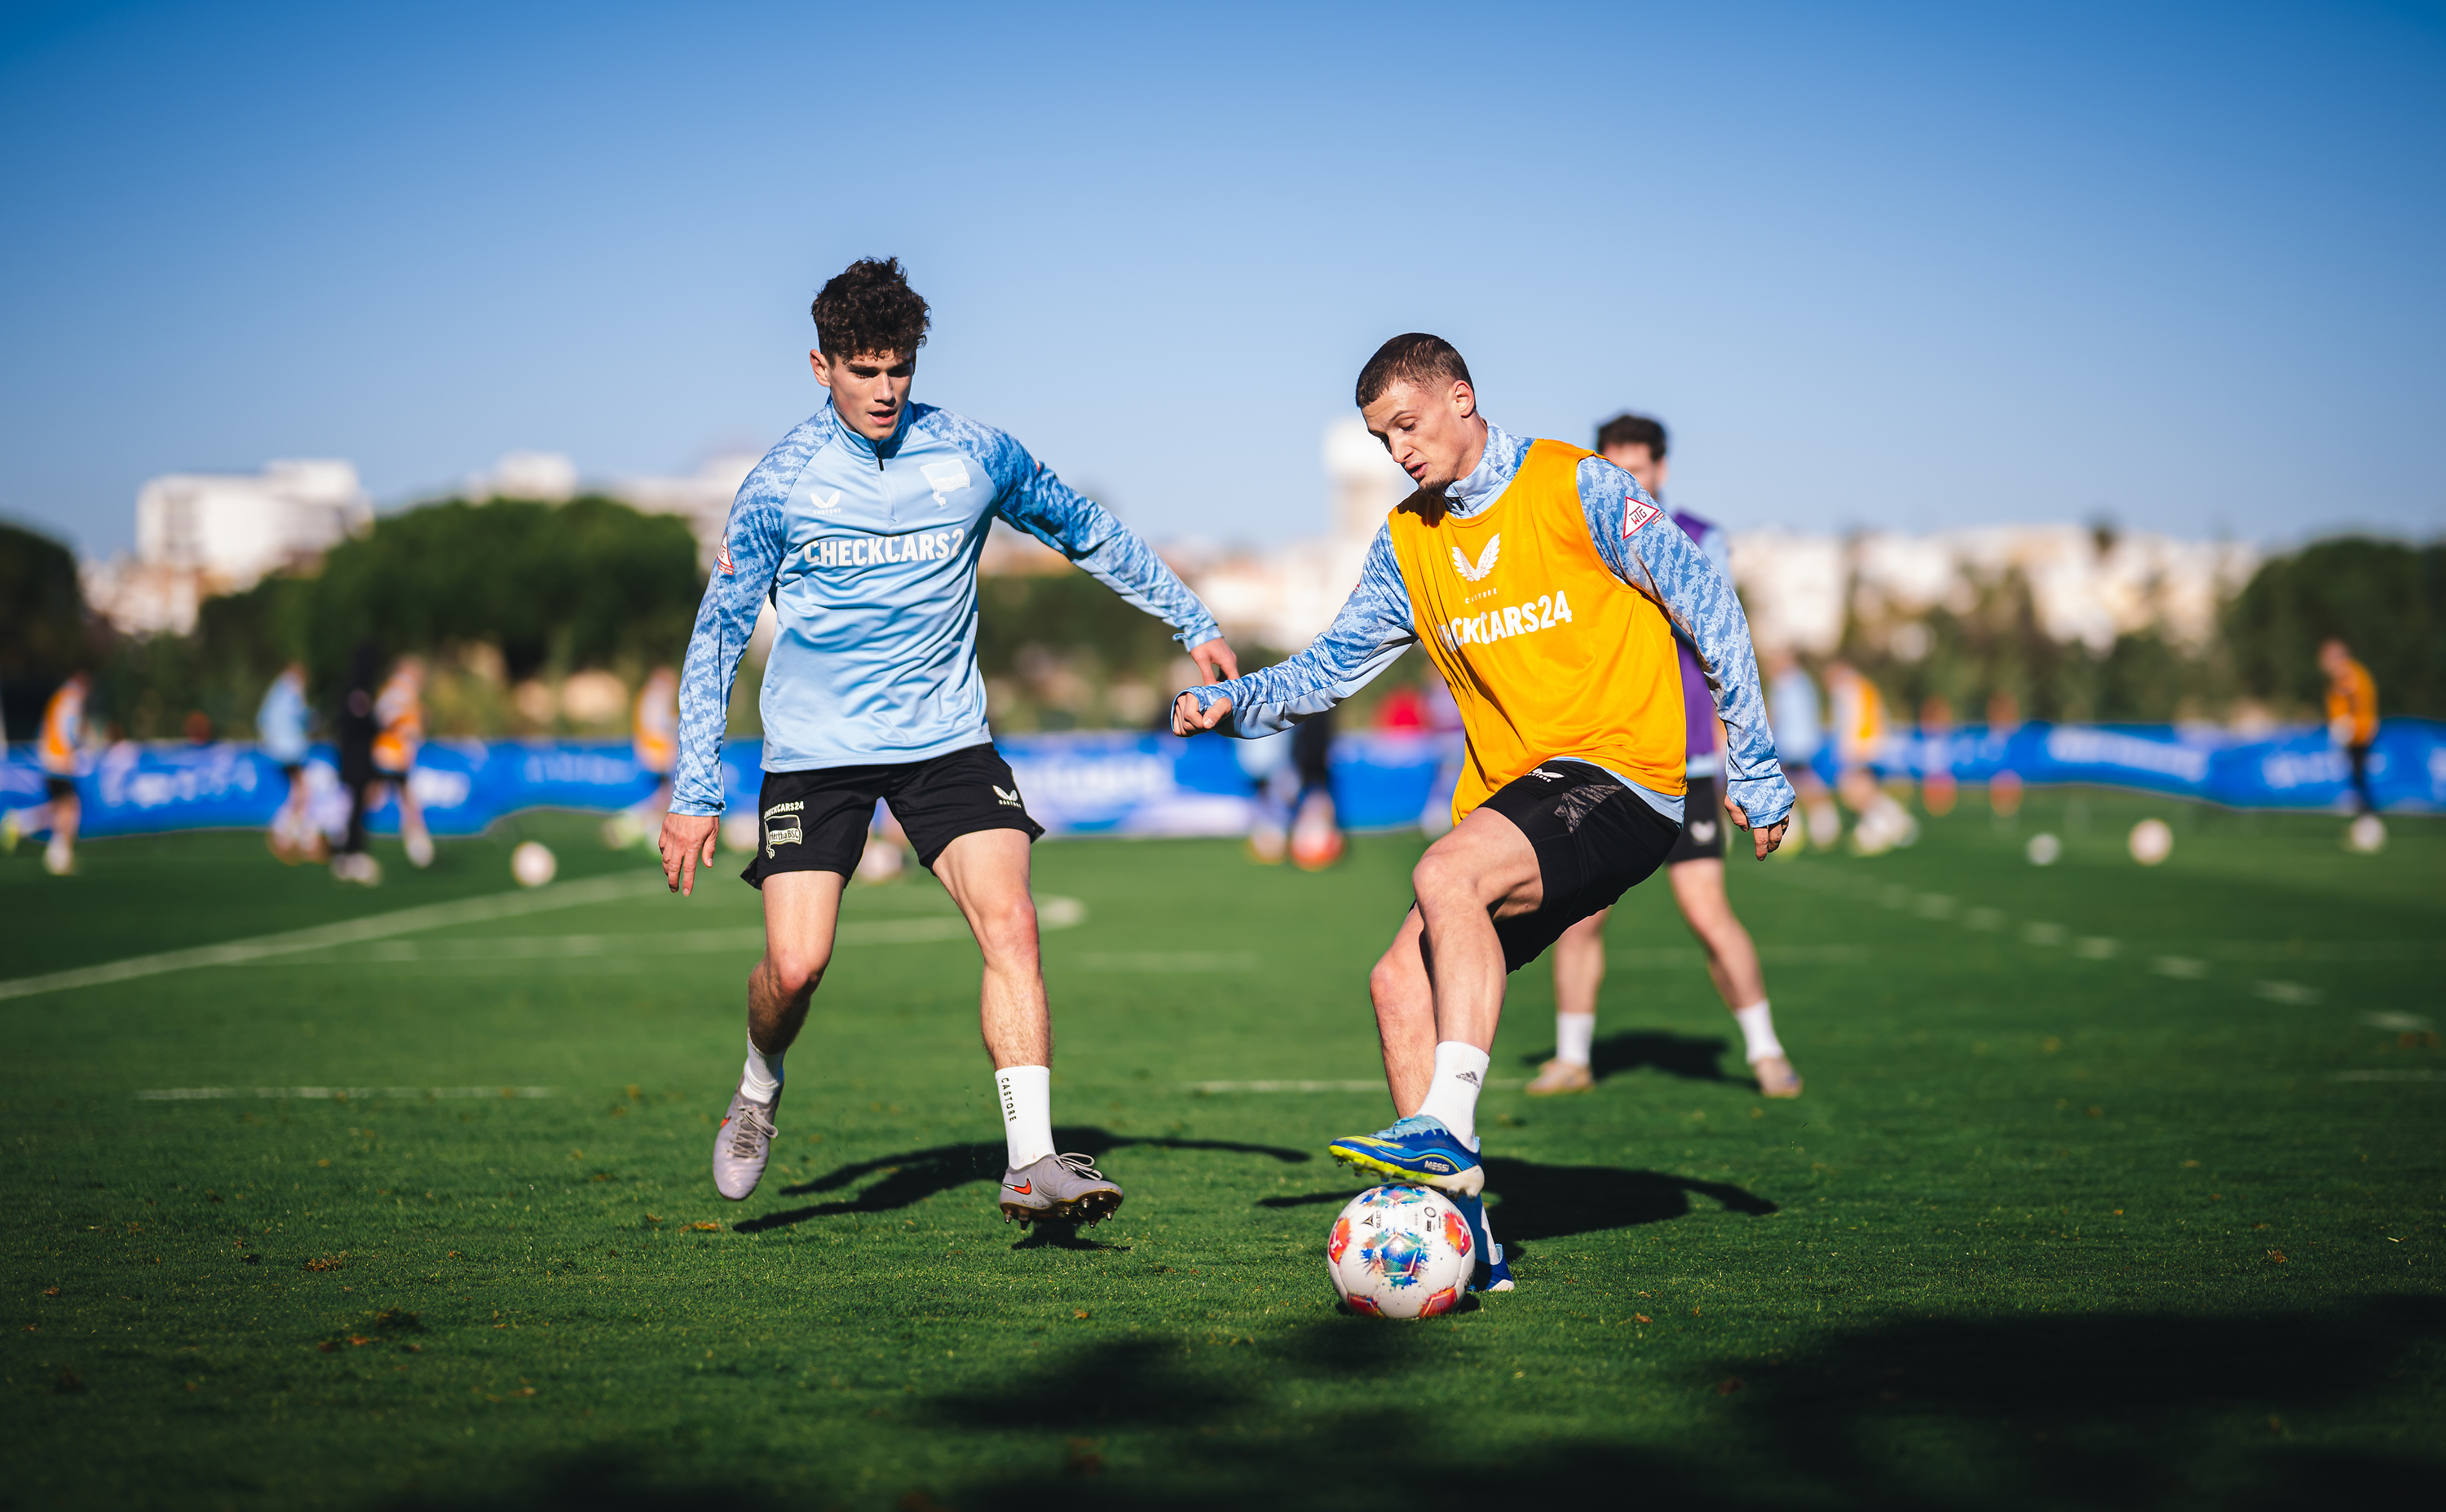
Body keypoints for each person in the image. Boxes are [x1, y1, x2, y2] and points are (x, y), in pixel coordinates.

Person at [1174, 335, 1792, 1294]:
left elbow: (1704, 595)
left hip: (1623, 777)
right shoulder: (1409, 540)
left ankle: (1446, 1126)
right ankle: (1468, 1239)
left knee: (1444, 872)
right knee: (1393, 982)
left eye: (1408, 427)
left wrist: (1756, 762)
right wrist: (1235, 703)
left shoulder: (1575, 485)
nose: (1400, 452)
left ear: (1461, 398)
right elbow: (1333, 665)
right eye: (1384, 440)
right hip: (1520, 803)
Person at [661, 257, 1236, 1225]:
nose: (885, 390)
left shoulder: (974, 453)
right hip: (815, 751)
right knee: (795, 967)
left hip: (945, 738)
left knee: (1010, 919)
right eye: (863, 369)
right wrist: (694, 786)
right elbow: (717, 634)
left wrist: (1191, 618)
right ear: (820, 366)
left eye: (900, 367)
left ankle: (1031, 1162)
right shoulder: (779, 486)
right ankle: (759, 1084)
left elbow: (1084, 528)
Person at [1524, 414, 1801, 1100]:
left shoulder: (1700, 539)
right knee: (1580, 916)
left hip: (1691, 761)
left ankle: (1766, 1051)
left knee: (1707, 910)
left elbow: (1713, 628)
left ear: (1661, 470)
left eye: (1637, 471)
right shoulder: (1581, 540)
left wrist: (1747, 759)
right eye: (1612, 471)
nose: (1626, 484)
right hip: (1606, 756)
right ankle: (1572, 1056)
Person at [5, 672, 91, 875]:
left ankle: (21, 822)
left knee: (61, 808)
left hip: (50, 760)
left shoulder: (58, 699)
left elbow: (44, 730)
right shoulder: (70, 700)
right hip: (59, 763)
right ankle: (57, 854)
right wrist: (74, 750)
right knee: (69, 809)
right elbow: (68, 731)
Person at [1768, 650, 1840, 846]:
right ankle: (1813, 823)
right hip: (1799, 741)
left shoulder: (1788, 683)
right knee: (1798, 783)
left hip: (1795, 743)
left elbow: (1779, 715)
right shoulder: (1802, 682)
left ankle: (1822, 822)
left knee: (1801, 783)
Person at [369, 655, 434, 869]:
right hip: (390, 755)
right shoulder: (400, 690)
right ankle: (419, 848)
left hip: (398, 756)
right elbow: (384, 715)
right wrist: (405, 727)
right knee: (390, 799)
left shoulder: (406, 691)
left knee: (399, 800)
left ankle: (418, 847)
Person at [606, 666, 680, 850]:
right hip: (657, 754)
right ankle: (630, 823)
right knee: (666, 796)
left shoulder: (650, 696)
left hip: (655, 752)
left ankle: (646, 829)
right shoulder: (656, 697)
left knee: (664, 796)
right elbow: (659, 725)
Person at [258, 663, 324, 862]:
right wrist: (315, 719)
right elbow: (301, 715)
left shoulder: (277, 690)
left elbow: (263, 719)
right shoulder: (291, 688)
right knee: (302, 790)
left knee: (298, 790)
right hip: (290, 748)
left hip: (278, 748)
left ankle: (289, 833)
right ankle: (287, 833)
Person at [333, 644, 384, 885]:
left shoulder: (351, 689)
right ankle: (352, 855)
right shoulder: (359, 691)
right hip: (357, 761)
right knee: (356, 811)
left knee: (355, 809)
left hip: (351, 759)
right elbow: (364, 725)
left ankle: (347, 854)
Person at [2320, 638, 2378, 814]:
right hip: (2356, 731)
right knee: (2356, 777)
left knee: (2359, 777)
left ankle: (2368, 818)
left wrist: (2345, 723)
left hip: (2358, 732)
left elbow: (2353, 699)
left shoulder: (2347, 672)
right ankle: (2365, 816)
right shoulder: (2349, 672)